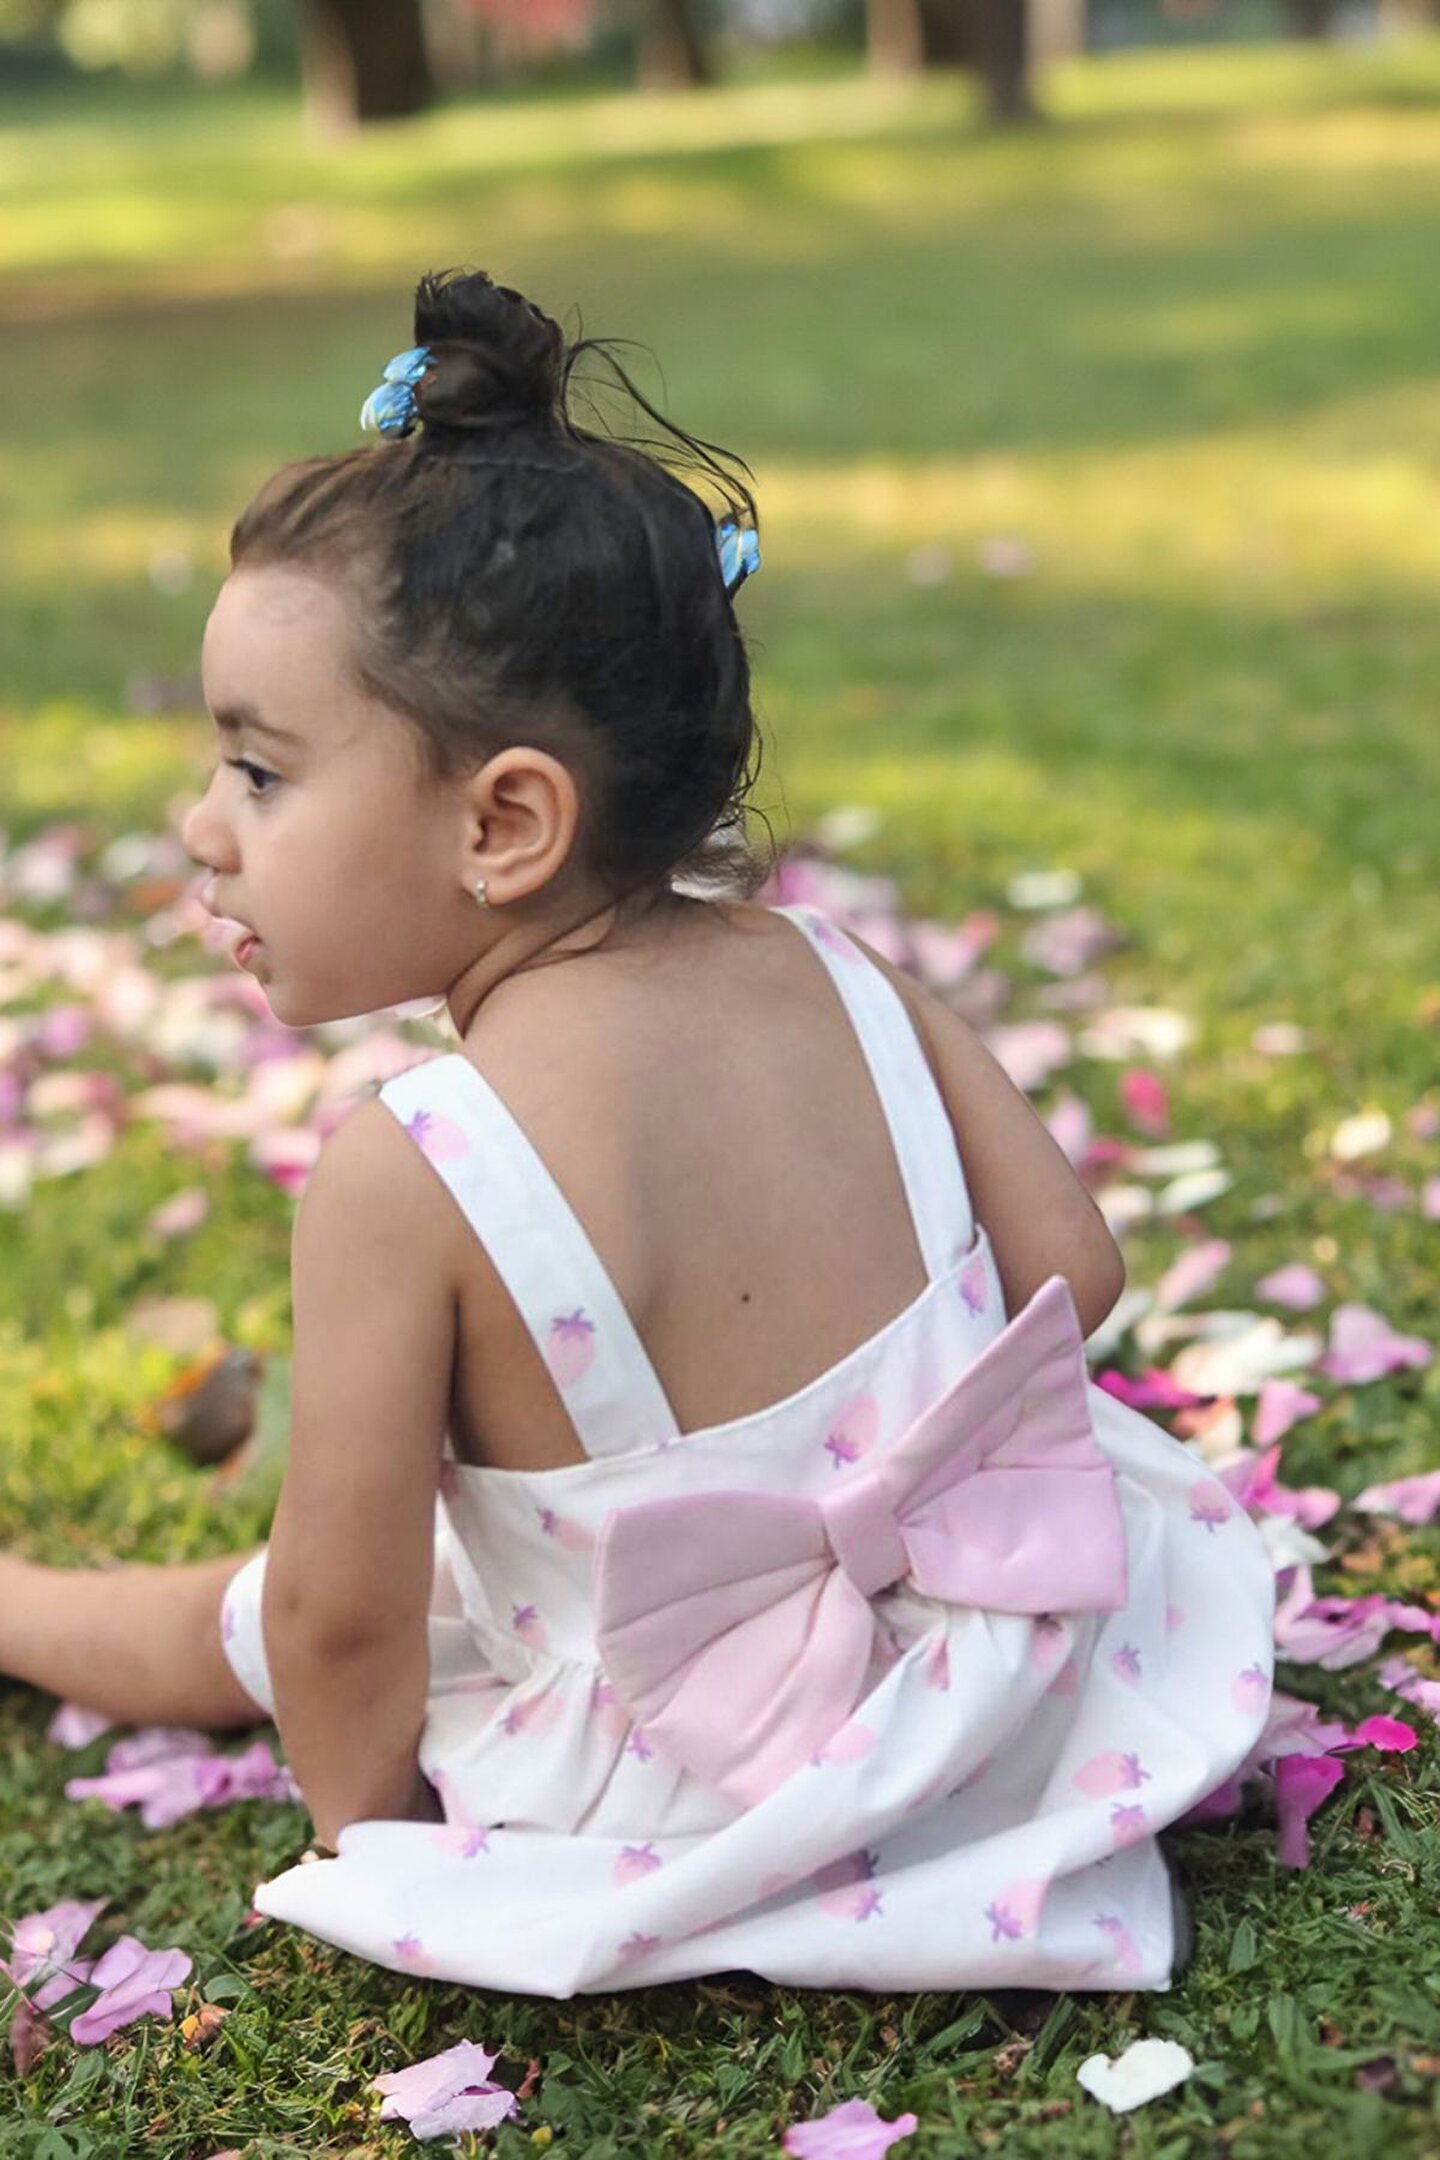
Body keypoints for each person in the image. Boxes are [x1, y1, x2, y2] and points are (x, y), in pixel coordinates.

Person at [1, 268, 1274, 1998]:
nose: (200, 827)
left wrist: (373, 1843)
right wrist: (883, 1500)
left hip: (700, 1763)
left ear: (506, 824)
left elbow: (335, 1619)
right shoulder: (840, 970)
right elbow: (1075, 1271)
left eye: (260, 772)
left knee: (237, 1615)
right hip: (1014, 1670)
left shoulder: (413, 1170)